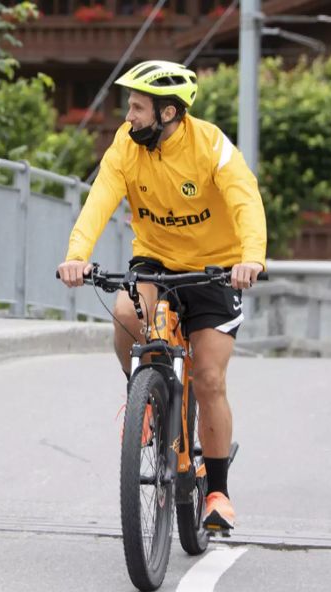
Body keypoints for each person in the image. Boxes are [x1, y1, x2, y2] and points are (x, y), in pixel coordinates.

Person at [57, 60, 267, 532]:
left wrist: (250, 258)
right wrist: (77, 255)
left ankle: (217, 492)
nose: (127, 115)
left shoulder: (211, 146)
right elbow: (99, 200)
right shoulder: (125, 147)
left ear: (169, 112)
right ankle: (146, 399)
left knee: (210, 378)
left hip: (216, 269)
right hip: (154, 260)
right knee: (125, 312)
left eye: (136, 106)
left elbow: (245, 199)